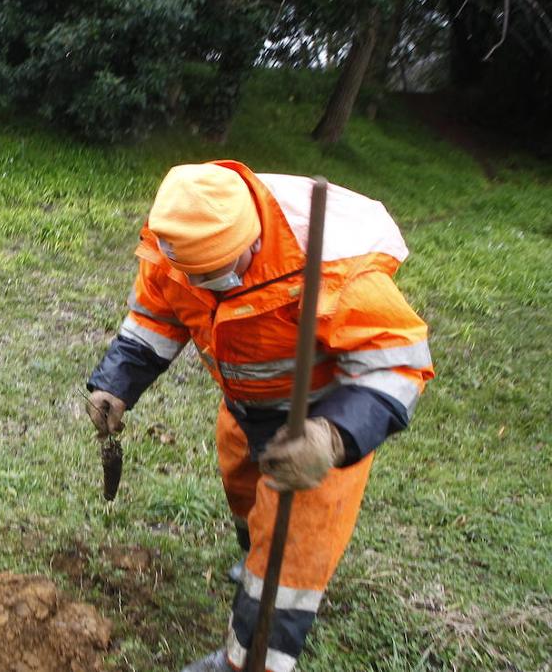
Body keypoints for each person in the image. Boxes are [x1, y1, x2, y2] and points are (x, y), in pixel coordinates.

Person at [85, 161, 433, 672]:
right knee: (247, 497)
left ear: (252, 239)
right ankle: (253, 559)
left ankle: (248, 661)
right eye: (195, 277)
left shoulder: (335, 269)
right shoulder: (173, 249)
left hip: (319, 424)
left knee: (288, 558)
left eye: (220, 273)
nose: (208, 286)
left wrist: (333, 437)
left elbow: (399, 364)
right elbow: (155, 315)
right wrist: (115, 385)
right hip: (246, 408)